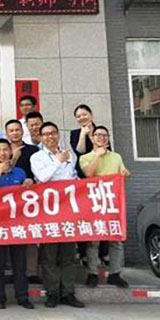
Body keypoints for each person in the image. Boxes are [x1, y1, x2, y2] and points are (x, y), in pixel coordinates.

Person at [30, 122, 85, 309]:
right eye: (46, 134)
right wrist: (58, 161)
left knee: (69, 255)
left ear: (58, 135)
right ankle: (52, 293)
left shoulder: (70, 155)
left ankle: (68, 293)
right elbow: (43, 178)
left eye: (53, 133)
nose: (50, 137)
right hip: (49, 212)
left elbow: (73, 176)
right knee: (49, 256)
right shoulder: (37, 157)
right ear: (40, 138)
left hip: (68, 211)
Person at [0, 139, 34, 310]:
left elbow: (28, 189)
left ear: (11, 152)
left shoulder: (20, 172)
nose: (2, 153)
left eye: (5, 150)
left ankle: (22, 296)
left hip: (17, 224)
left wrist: (29, 183)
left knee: (19, 263)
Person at [79, 126, 131, 289]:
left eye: (104, 135)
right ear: (92, 138)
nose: (101, 137)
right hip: (94, 203)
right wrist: (98, 155)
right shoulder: (85, 157)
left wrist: (125, 174)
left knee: (116, 240)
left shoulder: (116, 157)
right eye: (97, 135)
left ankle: (115, 273)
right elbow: (89, 173)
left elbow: (121, 174)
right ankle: (92, 273)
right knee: (93, 240)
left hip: (113, 202)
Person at [5, 118, 42, 285]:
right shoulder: (2, 150)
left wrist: (31, 180)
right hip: (7, 202)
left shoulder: (33, 150)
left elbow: (38, 172)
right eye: (11, 130)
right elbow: (1, 172)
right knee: (10, 235)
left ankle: (31, 271)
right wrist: (14, 158)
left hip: (29, 199)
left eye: (17, 130)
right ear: (7, 133)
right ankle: (13, 271)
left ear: (22, 131)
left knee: (30, 235)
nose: (14, 133)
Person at [70, 104, 99, 178]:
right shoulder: (74, 134)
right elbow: (80, 152)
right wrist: (82, 134)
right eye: (78, 116)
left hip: (100, 169)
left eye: (84, 114)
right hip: (82, 172)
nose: (82, 118)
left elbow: (107, 150)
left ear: (91, 115)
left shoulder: (100, 131)